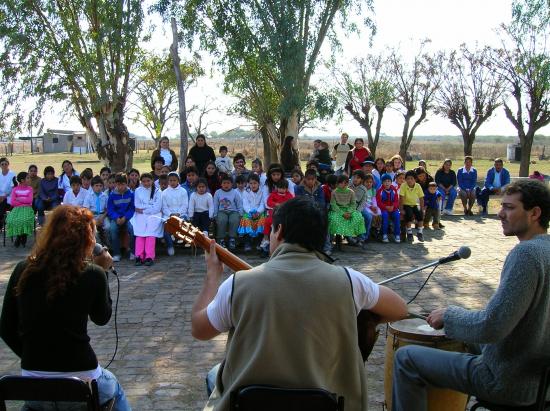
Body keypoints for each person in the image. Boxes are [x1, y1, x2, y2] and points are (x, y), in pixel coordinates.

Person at [194, 196, 408, 410]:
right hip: (328, 401)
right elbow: (400, 309)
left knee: (215, 375)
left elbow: (199, 329)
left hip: (253, 402)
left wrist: (212, 276)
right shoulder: (351, 281)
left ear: (278, 231)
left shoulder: (237, 284)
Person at [392, 179, 550, 410]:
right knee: (464, 334)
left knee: (406, 359)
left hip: (507, 382)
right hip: (540, 380)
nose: (500, 214)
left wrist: (450, 315)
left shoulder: (526, 254)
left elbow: (493, 326)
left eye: (509, 207)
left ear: (534, 213)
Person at [0, 205, 132, 410]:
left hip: (33, 382)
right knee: (113, 386)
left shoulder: (23, 270)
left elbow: (6, 328)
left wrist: (33, 357)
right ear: (87, 240)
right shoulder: (91, 274)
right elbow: (102, 316)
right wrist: (103, 271)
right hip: (81, 378)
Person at [132, 173, 163, 266]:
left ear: (152, 180)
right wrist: (148, 207)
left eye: (148, 181)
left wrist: (144, 210)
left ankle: (149, 256)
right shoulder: (137, 190)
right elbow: (137, 205)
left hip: (154, 215)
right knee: (140, 233)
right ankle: (139, 256)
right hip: (140, 215)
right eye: (144, 181)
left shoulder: (158, 191)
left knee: (150, 234)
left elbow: (157, 208)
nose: (146, 183)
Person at [328, 174, 366, 249]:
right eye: (341, 183)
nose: (343, 185)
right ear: (337, 183)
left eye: (345, 183)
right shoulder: (334, 192)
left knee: (358, 217)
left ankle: (355, 238)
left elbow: (353, 204)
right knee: (334, 219)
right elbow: (333, 204)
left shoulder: (351, 192)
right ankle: (334, 240)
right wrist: (342, 213)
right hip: (337, 211)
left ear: (348, 183)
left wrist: (349, 212)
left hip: (349, 210)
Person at [261, 179, 294, 256]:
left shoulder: (289, 195)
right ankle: (265, 238)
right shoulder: (273, 194)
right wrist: (275, 204)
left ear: (286, 188)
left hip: (284, 214)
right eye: (280, 188)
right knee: (267, 222)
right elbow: (269, 202)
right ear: (277, 187)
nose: (281, 190)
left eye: (283, 188)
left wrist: (283, 205)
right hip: (273, 212)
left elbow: (291, 203)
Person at [107, 173, 135, 262]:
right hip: (116, 218)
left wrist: (125, 218)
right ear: (116, 184)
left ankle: (132, 251)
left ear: (126, 184)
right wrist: (116, 218)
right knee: (112, 229)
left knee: (132, 229)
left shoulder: (131, 194)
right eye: (118, 184)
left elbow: (132, 209)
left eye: (123, 184)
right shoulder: (112, 195)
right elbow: (110, 209)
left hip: (128, 218)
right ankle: (116, 253)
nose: (121, 187)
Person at [213, 175, 243, 250]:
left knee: (234, 220)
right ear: (221, 184)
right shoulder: (218, 192)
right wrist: (215, 215)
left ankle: (232, 239)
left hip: (233, 211)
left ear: (232, 184)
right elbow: (215, 204)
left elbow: (239, 203)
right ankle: (221, 239)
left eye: (228, 183)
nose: (226, 185)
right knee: (222, 220)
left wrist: (240, 214)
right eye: (224, 183)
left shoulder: (235, 192)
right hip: (222, 211)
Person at [238, 174, 266, 252]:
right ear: (248, 184)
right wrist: (250, 212)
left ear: (258, 183)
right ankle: (247, 243)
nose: (253, 185)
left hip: (259, 212)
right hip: (249, 212)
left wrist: (258, 212)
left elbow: (262, 204)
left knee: (262, 221)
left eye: (255, 183)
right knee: (246, 220)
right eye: (251, 183)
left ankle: (259, 242)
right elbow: (245, 204)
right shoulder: (245, 192)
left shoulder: (262, 191)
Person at [6, 172, 34, 248]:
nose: (29, 179)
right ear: (22, 180)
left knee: (24, 220)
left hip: (27, 209)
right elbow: (12, 202)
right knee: (12, 220)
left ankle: (23, 236)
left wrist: (19, 199)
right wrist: (23, 201)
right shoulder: (15, 189)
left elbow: (30, 200)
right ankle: (19, 236)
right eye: (27, 178)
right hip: (17, 209)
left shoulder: (30, 189)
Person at [83, 176, 110, 247]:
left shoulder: (105, 196)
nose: (99, 188)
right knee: (95, 231)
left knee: (108, 227)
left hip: (103, 215)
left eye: (100, 186)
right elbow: (86, 210)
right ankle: (99, 247)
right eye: (96, 186)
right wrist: (94, 220)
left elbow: (107, 209)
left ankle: (108, 246)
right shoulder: (88, 196)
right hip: (92, 216)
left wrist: (102, 217)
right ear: (92, 186)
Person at [400, 170, 425, 242]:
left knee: (420, 214)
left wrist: (422, 209)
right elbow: (401, 198)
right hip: (406, 204)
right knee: (409, 214)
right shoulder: (403, 185)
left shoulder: (418, 186)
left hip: (415, 204)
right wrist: (401, 209)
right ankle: (409, 232)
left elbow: (421, 198)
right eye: (407, 178)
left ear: (415, 179)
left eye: (411, 178)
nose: (409, 180)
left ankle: (420, 232)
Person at [377, 173, 401, 244]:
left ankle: (397, 234)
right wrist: (385, 207)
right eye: (385, 181)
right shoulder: (380, 191)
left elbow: (396, 200)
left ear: (391, 182)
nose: (387, 183)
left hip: (393, 208)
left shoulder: (394, 190)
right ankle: (384, 234)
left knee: (397, 216)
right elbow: (379, 202)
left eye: (388, 181)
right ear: (382, 182)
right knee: (385, 217)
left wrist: (393, 206)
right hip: (384, 209)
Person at [349, 170, 370, 247]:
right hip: (349, 207)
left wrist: (358, 211)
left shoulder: (363, 189)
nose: (355, 179)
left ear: (361, 179)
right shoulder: (348, 186)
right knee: (355, 217)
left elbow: (363, 202)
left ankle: (363, 237)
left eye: (358, 178)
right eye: (354, 177)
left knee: (368, 217)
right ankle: (350, 237)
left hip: (359, 207)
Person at [0, 157, 17, 225]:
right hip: (0, 196)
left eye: (5, 164)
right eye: (2, 164)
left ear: (8, 164)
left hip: (9, 196)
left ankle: (2, 221)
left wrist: (4, 196)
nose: (4, 165)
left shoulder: (12, 174)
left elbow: (13, 188)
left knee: (2, 207)